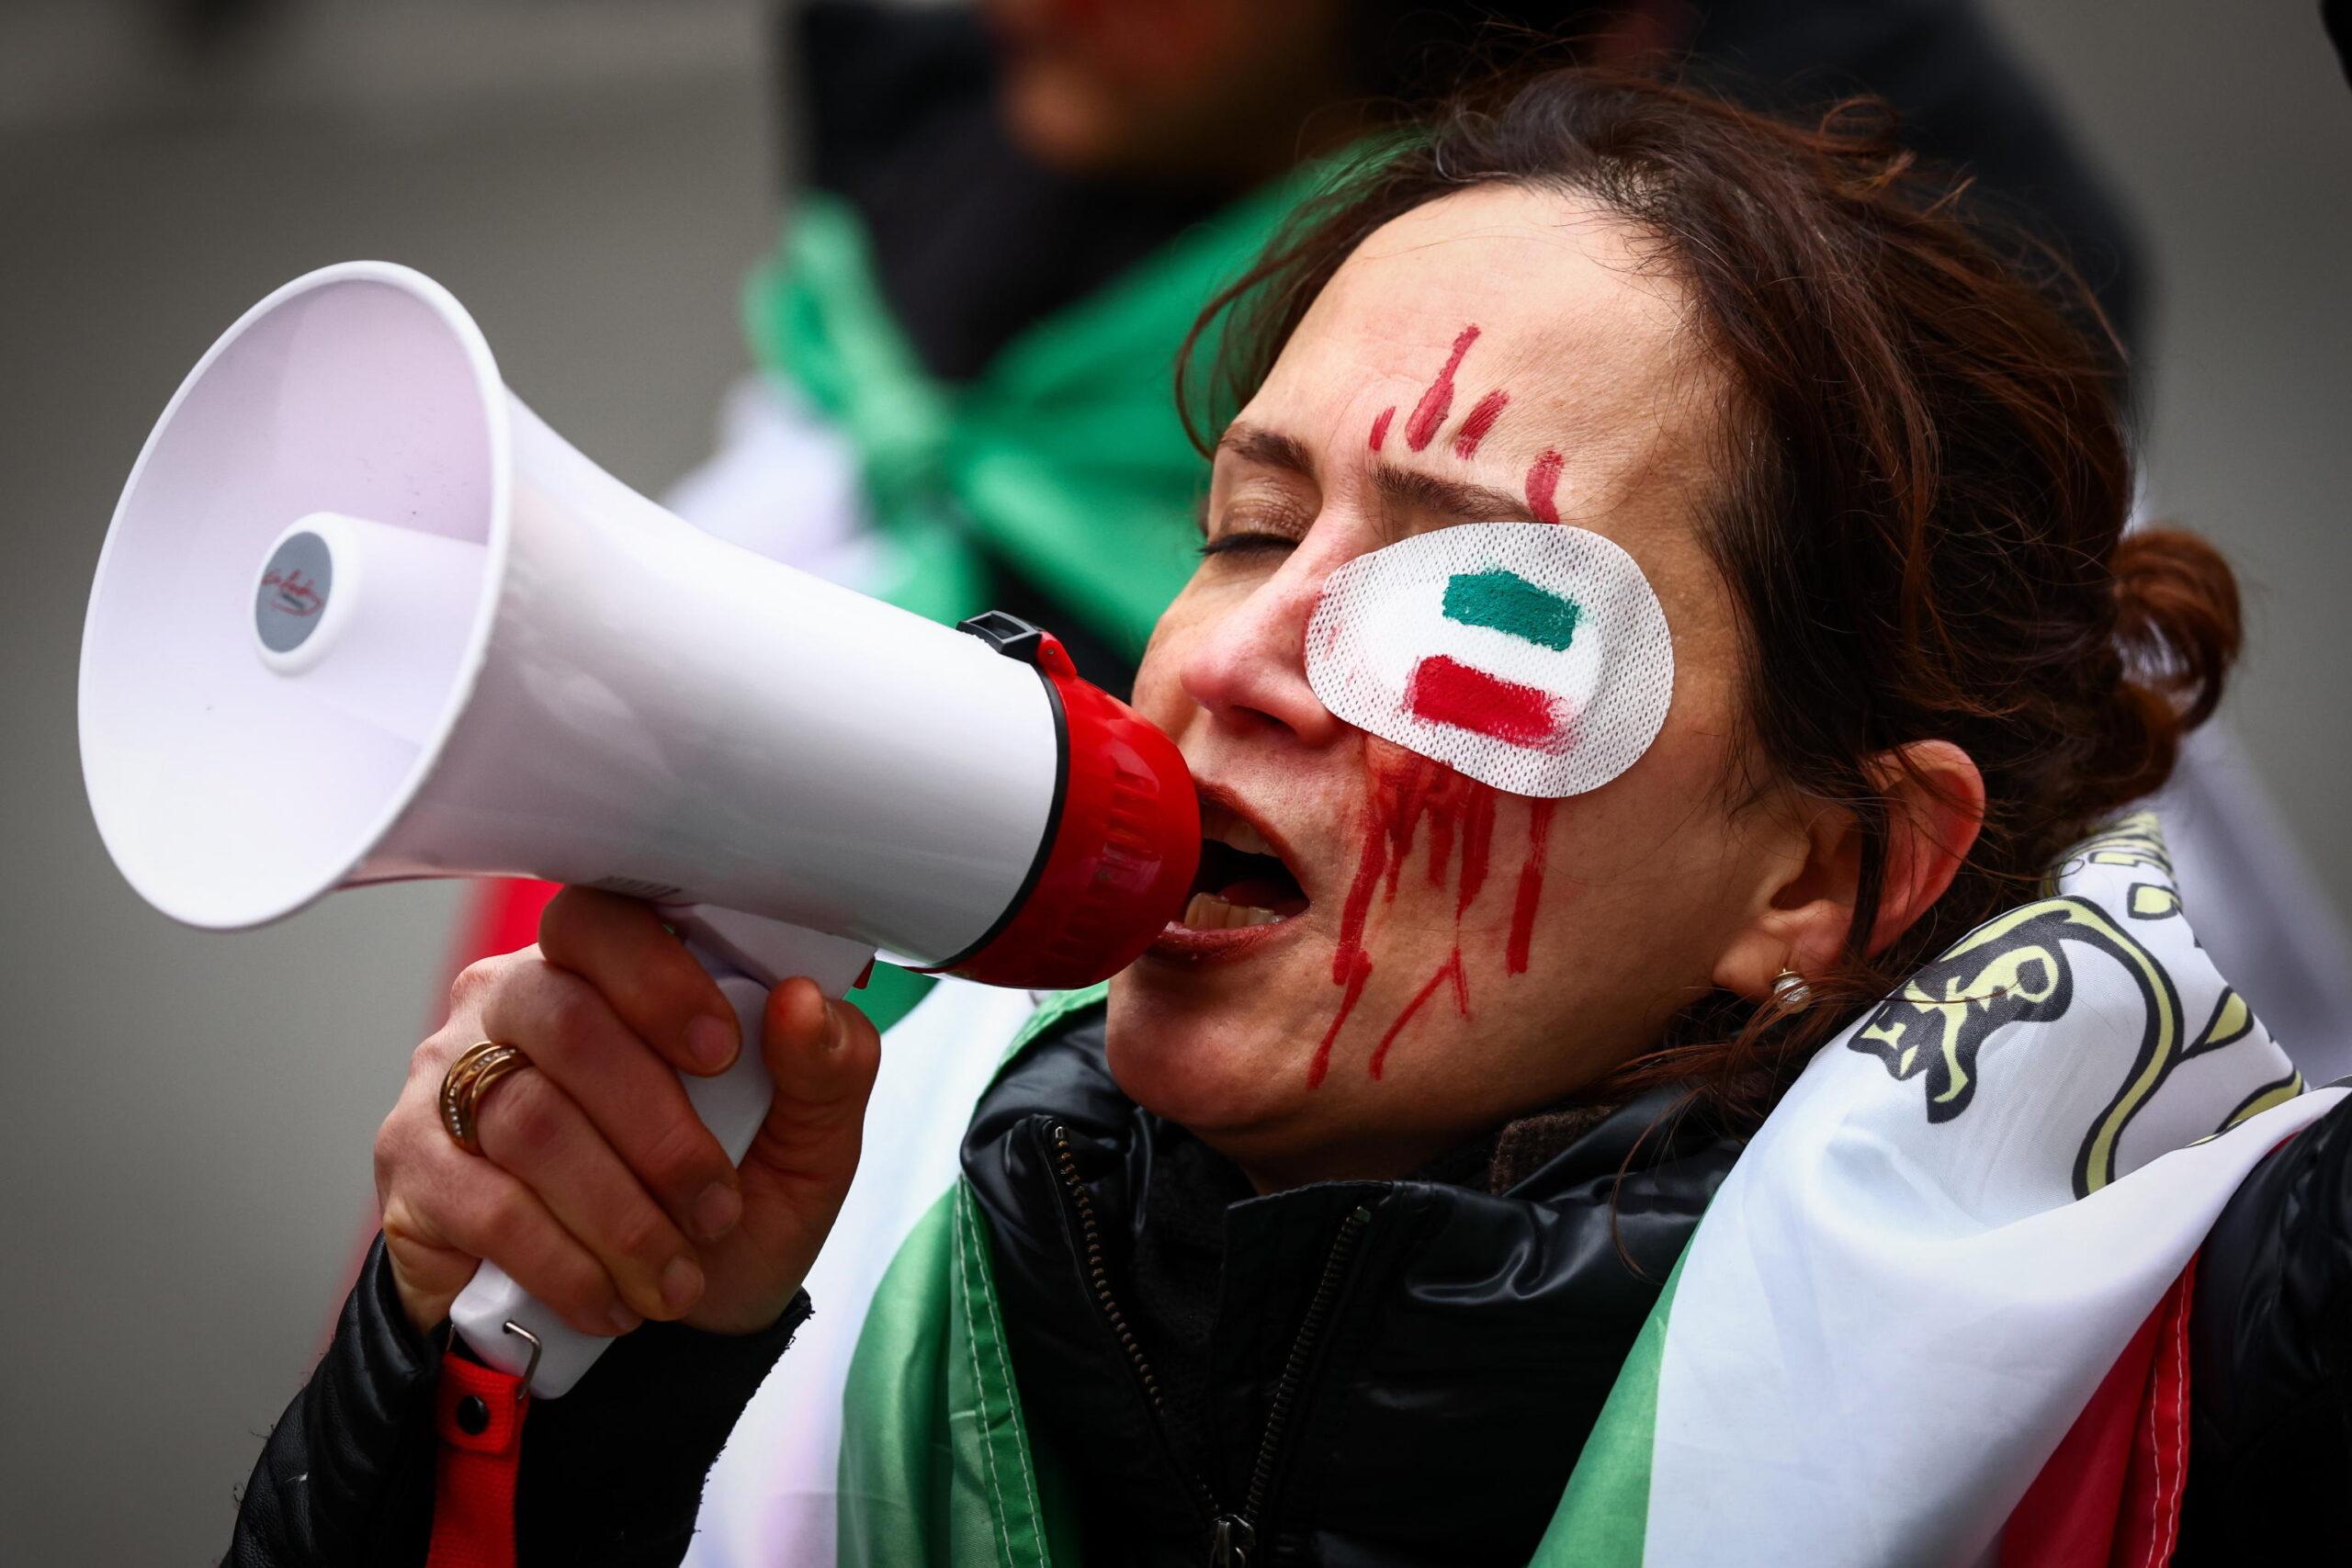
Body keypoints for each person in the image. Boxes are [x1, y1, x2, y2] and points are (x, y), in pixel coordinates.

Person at [232, 68, 2352, 1567]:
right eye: (1247, 525)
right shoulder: (834, 1195)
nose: (1231, 659)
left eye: (1474, 597)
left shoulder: (2185, 1376)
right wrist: (500, 1373)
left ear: (1826, 870)